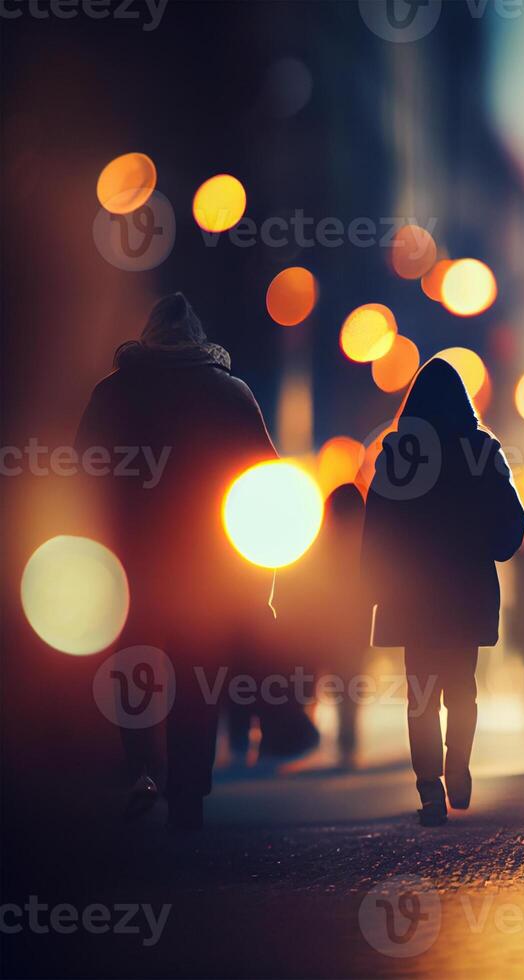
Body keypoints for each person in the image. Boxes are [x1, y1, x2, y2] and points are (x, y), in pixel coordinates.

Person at [76, 293, 279, 829]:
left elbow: (81, 478)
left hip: (131, 562)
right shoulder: (230, 394)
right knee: (197, 680)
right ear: (198, 338)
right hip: (205, 569)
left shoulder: (112, 395)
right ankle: (189, 793)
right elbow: (267, 484)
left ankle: (144, 768)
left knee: (134, 667)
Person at [361, 358, 524, 826]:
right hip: (464, 592)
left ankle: (429, 786)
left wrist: (371, 587)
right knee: (462, 688)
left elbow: (378, 526)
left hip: (413, 597)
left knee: (421, 693)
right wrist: (493, 546)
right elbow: (510, 520)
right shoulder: (480, 449)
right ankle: (458, 766)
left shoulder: (399, 453)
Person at [273, 483, 371, 769]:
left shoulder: (317, 542)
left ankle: (304, 731)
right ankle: (347, 741)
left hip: (319, 626)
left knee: (310, 681)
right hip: (352, 626)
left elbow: (300, 583)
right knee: (349, 682)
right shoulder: (363, 545)